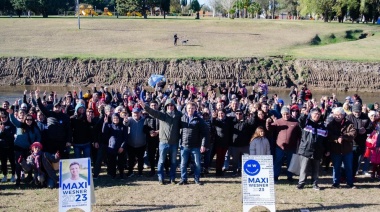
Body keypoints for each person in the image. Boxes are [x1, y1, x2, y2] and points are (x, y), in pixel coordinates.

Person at [139, 98, 182, 185]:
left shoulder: (178, 116)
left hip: (174, 143)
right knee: (161, 161)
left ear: (174, 106)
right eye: (168, 105)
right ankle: (161, 178)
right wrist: (145, 106)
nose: (170, 107)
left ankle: (172, 178)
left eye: (172, 105)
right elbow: (153, 112)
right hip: (163, 142)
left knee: (173, 162)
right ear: (166, 106)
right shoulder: (162, 115)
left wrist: (181, 106)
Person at [296, 108, 328, 190]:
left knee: (316, 169)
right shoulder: (306, 123)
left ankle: (315, 183)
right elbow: (300, 121)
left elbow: (325, 140)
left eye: (318, 114)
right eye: (315, 113)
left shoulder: (323, 126)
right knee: (304, 168)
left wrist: (326, 150)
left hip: (317, 150)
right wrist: (304, 114)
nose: (317, 115)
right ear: (311, 114)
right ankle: (301, 183)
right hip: (306, 149)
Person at [267, 106, 301, 182]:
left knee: (290, 162)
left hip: (292, 147)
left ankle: (289, 176)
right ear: (281, 114)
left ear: (290, 113)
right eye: (284, 114)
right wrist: (268, 122)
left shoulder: (295, 122)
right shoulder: (278, 121)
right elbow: (269, 129)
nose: (286, 116)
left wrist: (298, 146)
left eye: (287, 114)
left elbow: (299, 135)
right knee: (278, 161)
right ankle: (275, 176)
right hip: (280, 146)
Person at [9, 108, 41, 186]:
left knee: (29, 163)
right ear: (25, 120)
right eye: (27, 119)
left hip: (29, 149)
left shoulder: (35, 128)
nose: (29, 121)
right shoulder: (21, 125)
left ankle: (30, 177)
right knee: (18, 163)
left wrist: (35, 146)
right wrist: (11, 114)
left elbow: (38, 138)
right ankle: (18, 179)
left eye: (30, 119)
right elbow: (14, 121)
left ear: (32, 120)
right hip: (19, 148)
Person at [178, 102, 209, 185]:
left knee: (197, 164)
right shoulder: (182, 118)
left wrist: (203, 145)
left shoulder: (199, 120)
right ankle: (183, 179)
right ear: (186, 109)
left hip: (195, 146)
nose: (190, 110)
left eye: (192, 108)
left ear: (195, 109)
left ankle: (197, 179)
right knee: (183, 164)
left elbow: (205, 133)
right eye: (189, 108)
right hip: (184, 145)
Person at [36, 89, 72, 159]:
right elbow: (41, 107)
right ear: (53, 108)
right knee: (51, 159)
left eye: (59, 107)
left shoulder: (65, 116)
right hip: (50, 142)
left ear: (61, 107)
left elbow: (69, 130)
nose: (57, 108)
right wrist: (37, 97)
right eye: (56, 107)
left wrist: (68, 140)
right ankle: (52, 170)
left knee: (64, 158)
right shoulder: (49, 114)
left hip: (62, 142)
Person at [327, 107, 357, 189]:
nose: (337, 116)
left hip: (347, 150)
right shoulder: (330, 124)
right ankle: (336, 183)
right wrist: (337, 139)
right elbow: (329, 135)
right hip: (335, 150)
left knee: (348, 167)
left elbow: (353, 134)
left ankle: (350, 183)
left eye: (339, 115)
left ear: (343, 115)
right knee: (336, 167)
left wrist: (344, 137)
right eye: (336, 115)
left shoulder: (349, 123)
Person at [103, 113, 128, 179]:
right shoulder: (109, 126)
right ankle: (113, 174)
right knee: (112, 162)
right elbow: (104, 133)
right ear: (112, 119)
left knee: (121, 162)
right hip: (111, 147)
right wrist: (105, 123)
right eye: (114, 118)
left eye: (117, 118)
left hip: (120, 147)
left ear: (119, 119)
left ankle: (121, 174)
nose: (115, 120)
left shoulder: (123, 126)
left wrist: (122, 147)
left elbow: (126, 138)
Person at [123, 107, 146, 177]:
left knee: (140, 159)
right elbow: (125, 124)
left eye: (137, 113)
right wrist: (125, 121)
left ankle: (140, 172)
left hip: (141, 144)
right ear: (132, 113)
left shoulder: (144, 120)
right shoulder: (130, 119)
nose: (136, 114)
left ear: (140, 113)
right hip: (131, 144)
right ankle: (130, 171)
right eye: (134, 113)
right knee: (131, 159)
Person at [0, 111, 16, 183]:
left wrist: (4, 130)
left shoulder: (11, 124)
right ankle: (5, 175)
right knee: (3, 162)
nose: (3, 118)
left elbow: (12, 135)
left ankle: (13, 175)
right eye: (2, 117)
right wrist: (1, 131)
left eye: (4, 117)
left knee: (12, 161)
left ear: (7, 117)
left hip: (10, 146)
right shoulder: (0, 125)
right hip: (2, 147)